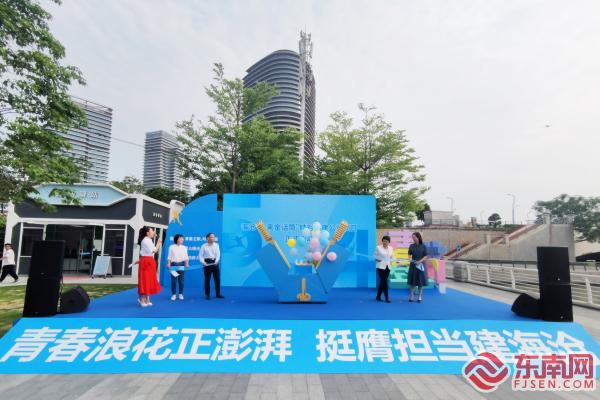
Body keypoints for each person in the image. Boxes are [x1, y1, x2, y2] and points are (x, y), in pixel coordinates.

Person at [137, 226, 162, 307]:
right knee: (144, 280)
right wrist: (158, 243)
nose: (154, 232)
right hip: (146, 262)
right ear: (147, 233)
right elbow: (154, 250)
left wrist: (158, 243)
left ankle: (147, 299)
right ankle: (141, 300)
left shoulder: (149, 240)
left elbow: (151, 252)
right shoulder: (145, 240)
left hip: (149, 261)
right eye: (152, 230)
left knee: (149, 280)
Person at [200, 232, 223, 299]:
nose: (213, 238)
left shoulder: (216, 245)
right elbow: (201, 256)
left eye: (213, 237)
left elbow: (218, 254)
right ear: (207, 238)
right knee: (207, 279)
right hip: (207, 262)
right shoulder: (203, 246)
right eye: (211, 237)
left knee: (217, 279)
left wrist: (216, 261)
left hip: (215, 262)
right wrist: (203, 262)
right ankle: (207, 294)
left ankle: (218, 294)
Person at [407, 232, 428, 303]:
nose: (413, 238)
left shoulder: (423, 246)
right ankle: (411, 296)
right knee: (412, 281)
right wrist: (410, 259)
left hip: (421, 265)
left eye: (414, 237)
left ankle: (419, 296)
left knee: (420, 281)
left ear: (418, 237)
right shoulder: (411, 246)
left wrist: (420, 261)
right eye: (412, 237)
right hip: (413, 265)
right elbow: (409, 254)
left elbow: (425, 256)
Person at [167, 234, 189, 301]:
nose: (182, 239)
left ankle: (180, 294)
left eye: (182, 238)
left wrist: (187, 264)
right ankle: (173, 294)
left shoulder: (184, 247)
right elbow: (169, 257)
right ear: (177, 239)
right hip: (173, 265)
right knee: (174, 281)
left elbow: (186, 257)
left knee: (181, 281)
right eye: (180, 238)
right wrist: (168, 264)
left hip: (181, 265)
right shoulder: (171, 247)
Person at [374, 235, 394, 303]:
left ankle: (378, 296)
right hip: (380, 267)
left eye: (386, 241)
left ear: (389, 242)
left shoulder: (391, 248)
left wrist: (396, 260)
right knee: (385, 282)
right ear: (382, 241)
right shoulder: (378, 247)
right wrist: (377, 259)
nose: (385, 242)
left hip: (388, 267)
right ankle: (387, 297)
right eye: (384, 241)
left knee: (383, 282)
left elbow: (391, 257)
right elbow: (375, 256)